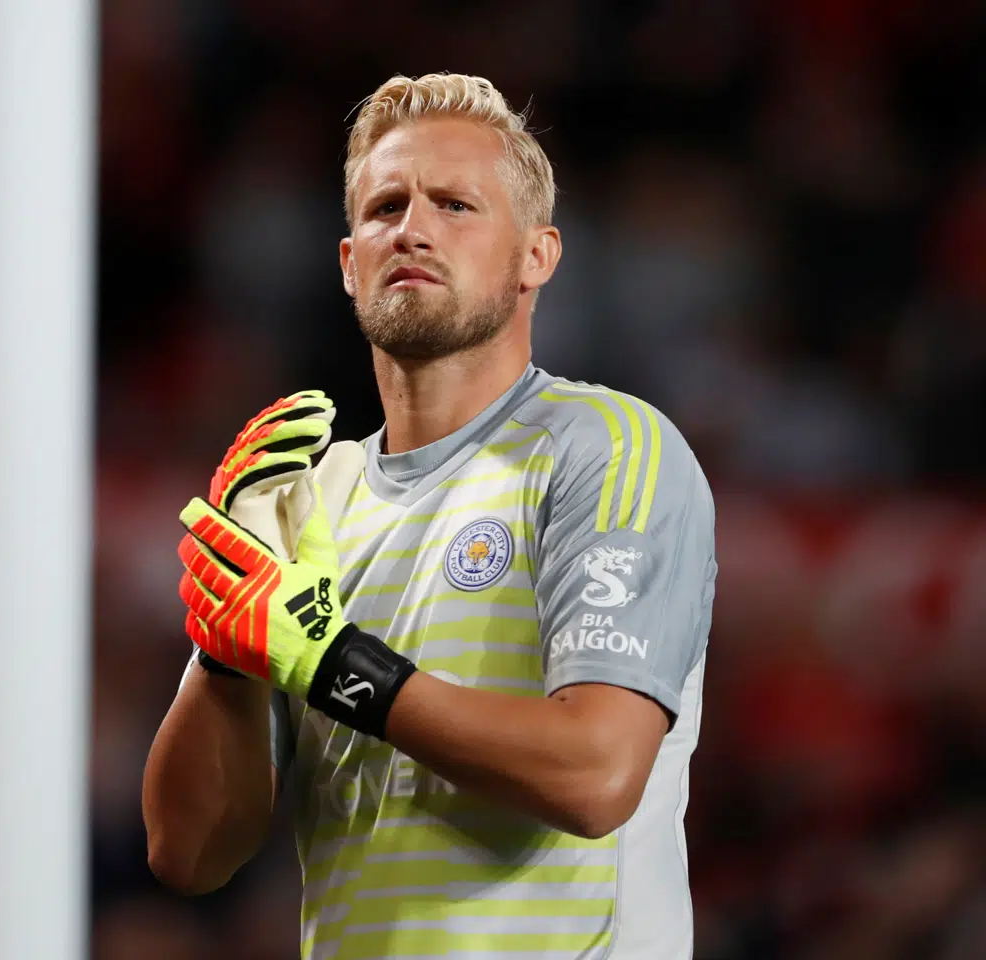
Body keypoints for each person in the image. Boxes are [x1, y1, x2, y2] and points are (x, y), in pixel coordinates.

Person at [142, 72, 715, 960]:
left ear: (537, 256)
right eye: (385, 208)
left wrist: (335, 663)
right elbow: (188, 854)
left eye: (455, 205)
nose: (412, 228)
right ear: (347, 262)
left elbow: (597, 773)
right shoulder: (302, 494)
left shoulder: (604, 447)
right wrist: (227, 652)